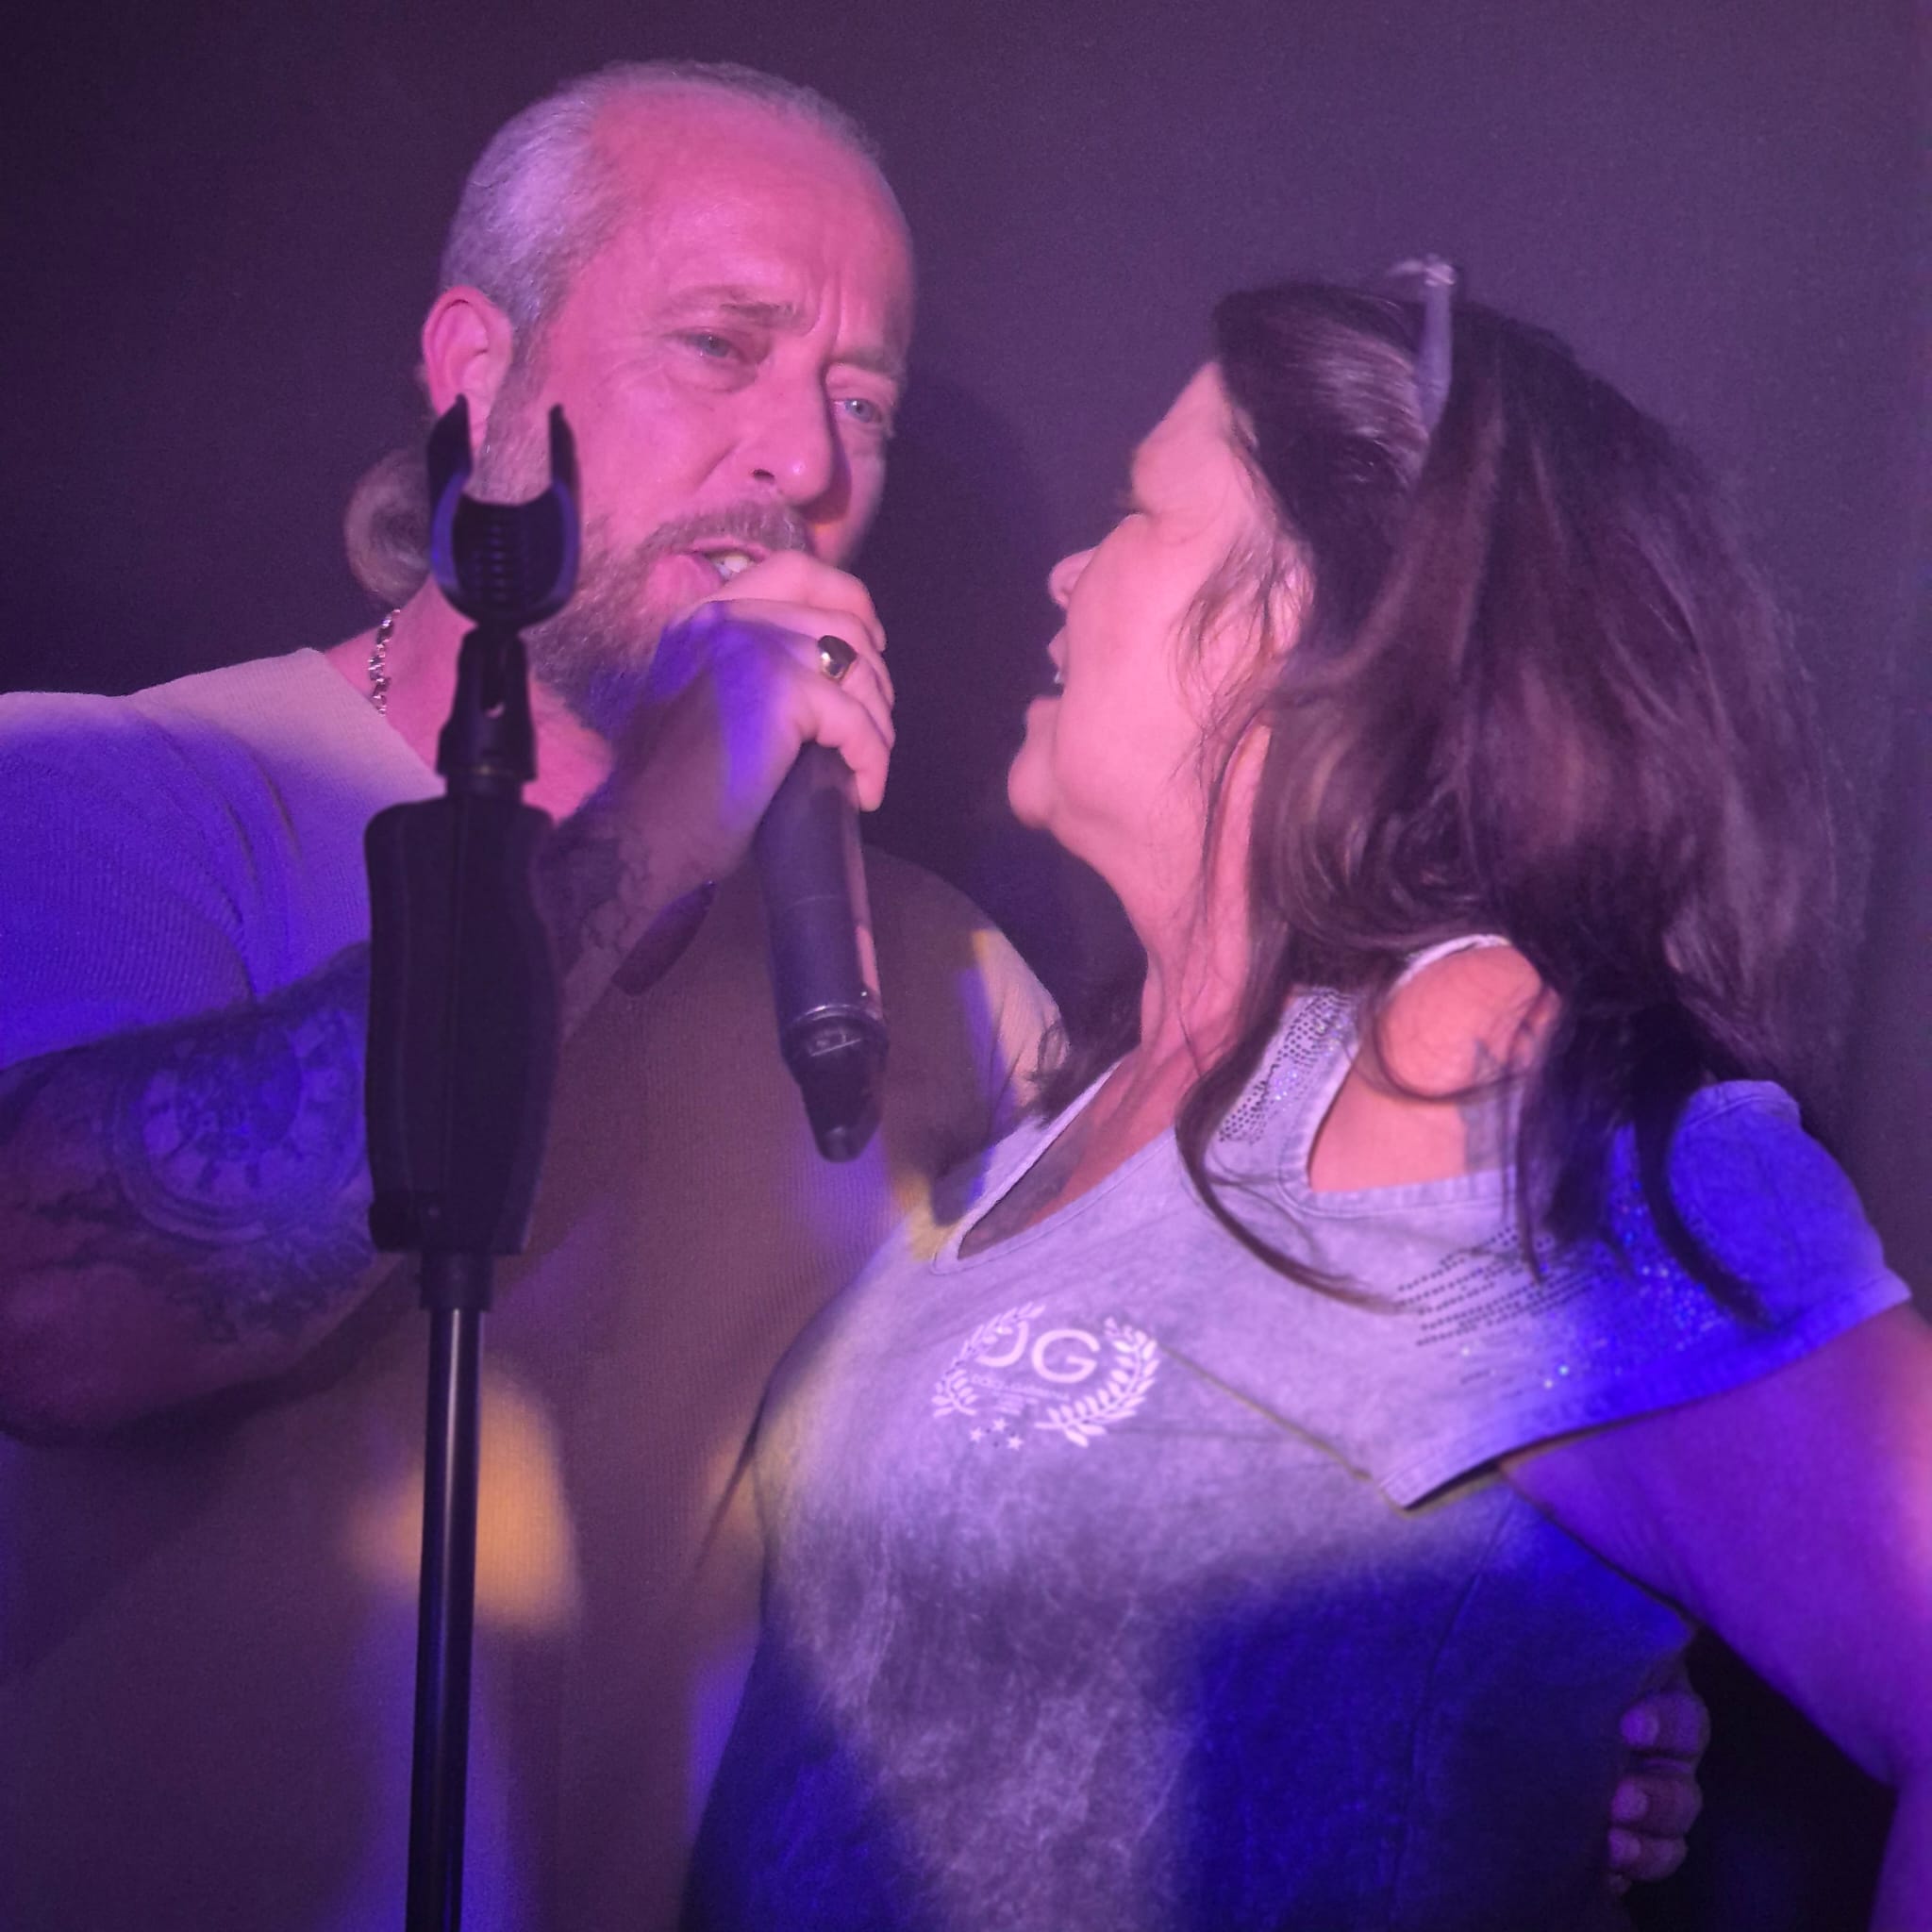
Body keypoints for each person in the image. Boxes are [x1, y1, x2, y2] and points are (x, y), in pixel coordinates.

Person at [0, 68, 1702, 1929]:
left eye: (860, 401)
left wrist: (1488, 1669)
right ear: (479, 375)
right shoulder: (114, 796)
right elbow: (65, 1307)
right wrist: (653, 834)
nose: (804, 465)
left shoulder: (945, 985)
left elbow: (1178, 1455)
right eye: (720, 348)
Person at [683, 279, 1932, 1930]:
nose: (1067, 571)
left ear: (1311, 624)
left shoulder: (1464, 1067)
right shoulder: (1061, 1108)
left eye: (1136, 511)